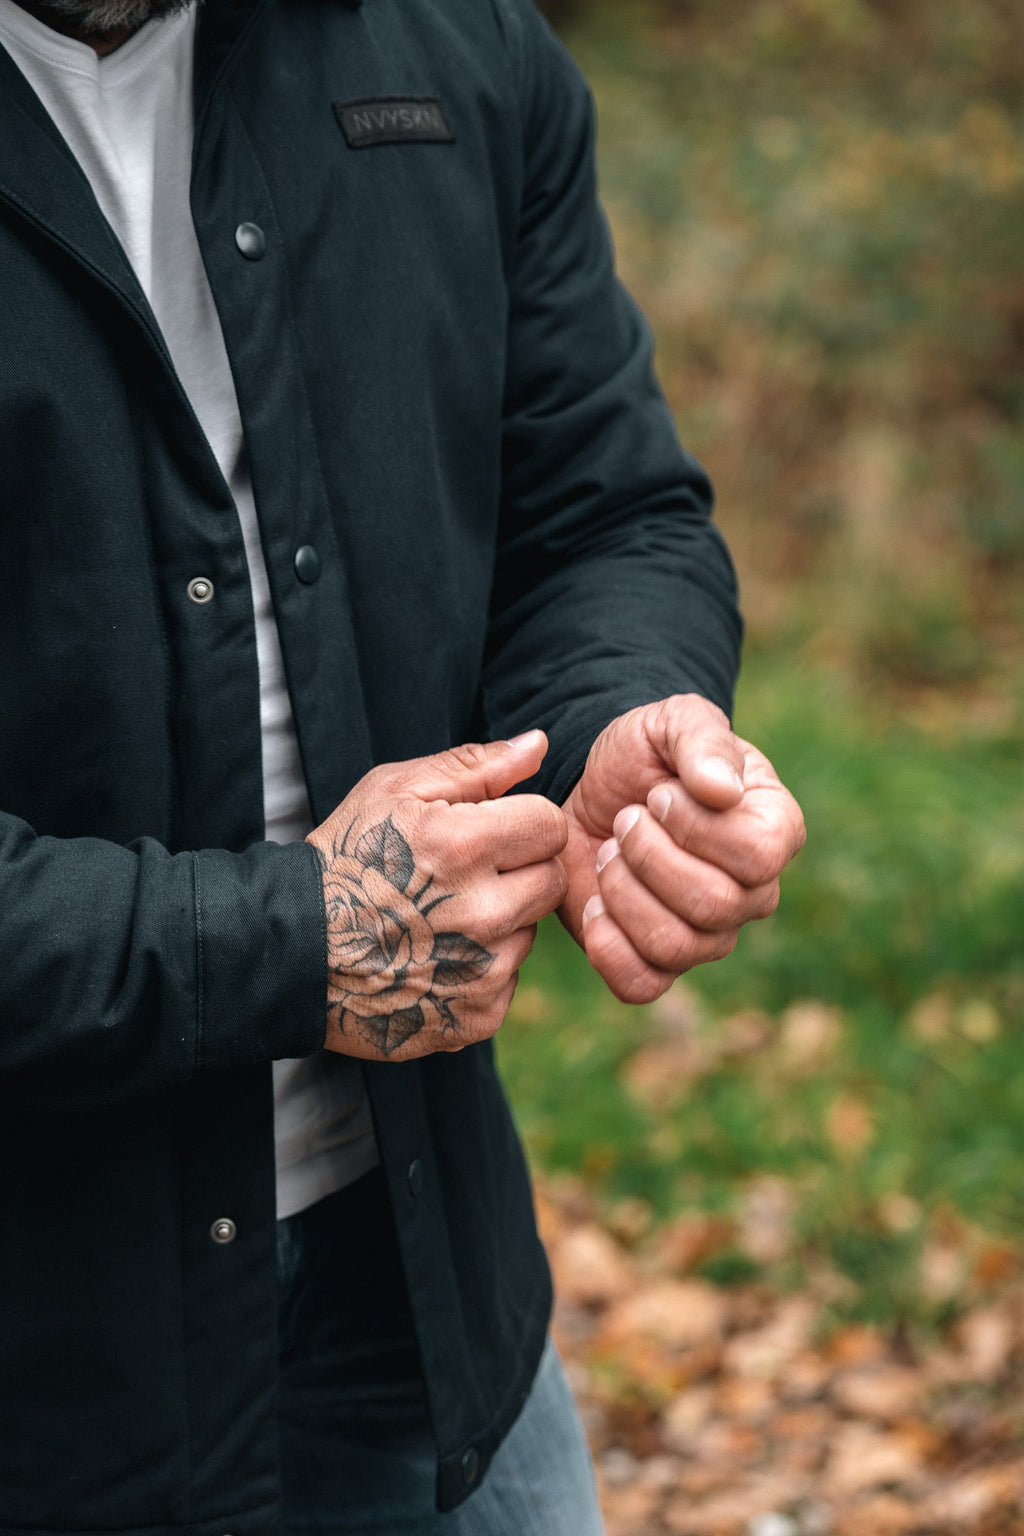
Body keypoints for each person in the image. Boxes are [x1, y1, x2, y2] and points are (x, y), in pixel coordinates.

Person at [0, 0, 805, 1530]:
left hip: (418, 1303)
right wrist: (285, 943)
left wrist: (619, 727)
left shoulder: (453, 45)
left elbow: (600, 511)